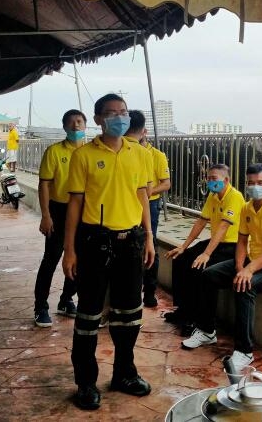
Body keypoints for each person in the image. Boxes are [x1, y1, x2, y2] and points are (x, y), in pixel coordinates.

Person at [62, 93, 155, 410]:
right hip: (94, 242)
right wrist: (69, 250)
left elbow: (142, 196)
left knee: (129, 314)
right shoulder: (84, 156)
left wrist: (149, 238)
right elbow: (75, 204)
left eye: (123, 112)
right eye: (111, 113)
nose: (119, 117)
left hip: (131, 241)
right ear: (99, 119)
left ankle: (124, 374)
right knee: (88, 314)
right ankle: (85, 382)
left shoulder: (139, 153)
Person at [182, 163, 262, 375]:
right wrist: (240, 266)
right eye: (251, 183)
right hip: (251, 259)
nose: (255, 187)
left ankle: (244, 350)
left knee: (245, 286)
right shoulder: (246, 208)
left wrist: (247, 271)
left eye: (260, 182)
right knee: (209, 275)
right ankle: (207, 330)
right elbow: (242, 241)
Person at [164, 163, 244, 334]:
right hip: (216, 243)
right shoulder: (213, 196)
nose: (210, 182)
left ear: (226, 180)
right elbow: (201, 221)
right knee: (181, 258)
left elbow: (223, 227)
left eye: (214, 178)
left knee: (199, 267)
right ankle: (183, 310)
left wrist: (207, 253)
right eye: (208, 178)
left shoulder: (235, 197)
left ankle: (197, 319)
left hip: (232, 246)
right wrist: (183, 246)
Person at [33, 109, 87, 328]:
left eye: (79, 121)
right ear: (64, 126)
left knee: (78, 258)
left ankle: (66, 300)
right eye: (71, 122)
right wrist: (46, 215)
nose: (76, 125)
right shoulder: (54, 151)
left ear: (86, 125)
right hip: (59, 210)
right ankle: (40, 306)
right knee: (51, 258)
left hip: (84, 211)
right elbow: (44, 184)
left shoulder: (91, 151)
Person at [125, 110, 171, 307]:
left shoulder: (156, 155)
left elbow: (166, 183)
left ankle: (150, 291)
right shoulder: (123, 152)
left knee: (149, 244)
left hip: (150, 204)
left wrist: (148, 192)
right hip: (127, 203)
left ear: (145, 131)